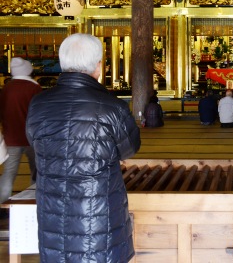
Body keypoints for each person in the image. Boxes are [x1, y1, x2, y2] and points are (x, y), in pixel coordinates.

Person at [26, 33, 141, 263]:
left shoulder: (38, 104)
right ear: (98, 66)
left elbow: (34, 141)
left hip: (53, 214)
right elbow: (130, 148)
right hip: (99, 216)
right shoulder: (113, 108)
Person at [0, 57, 42, 206]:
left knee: (8, 174)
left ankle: (2, 204)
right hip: (31, 138)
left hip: (11, 139)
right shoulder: (34, 88)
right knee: (36, 173)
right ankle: (34, 202)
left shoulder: (6, 88)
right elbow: (40, 112)